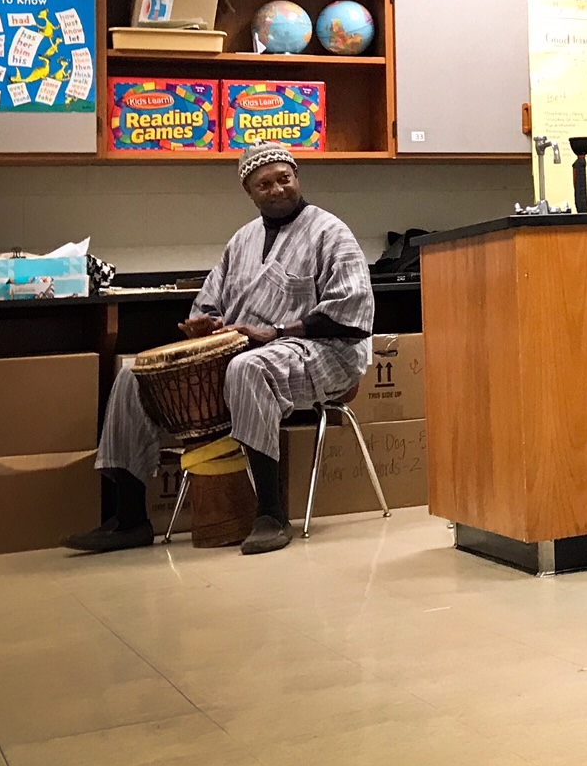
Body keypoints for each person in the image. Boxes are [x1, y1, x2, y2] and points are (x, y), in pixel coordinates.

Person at [66, 143, 375, 556]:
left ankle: (270, 514)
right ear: (250, 193)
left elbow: (351, 311)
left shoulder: (330, 232)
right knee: (132, 376)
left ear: (297, 177)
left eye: (285, 178)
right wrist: (204, 324)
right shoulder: (241, 241)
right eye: (264, 184)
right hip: (244, 349)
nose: (278, 189)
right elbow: (209, 304)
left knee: (249, 368)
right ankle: (129, 519)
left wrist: (277, 331)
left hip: (323, 349)